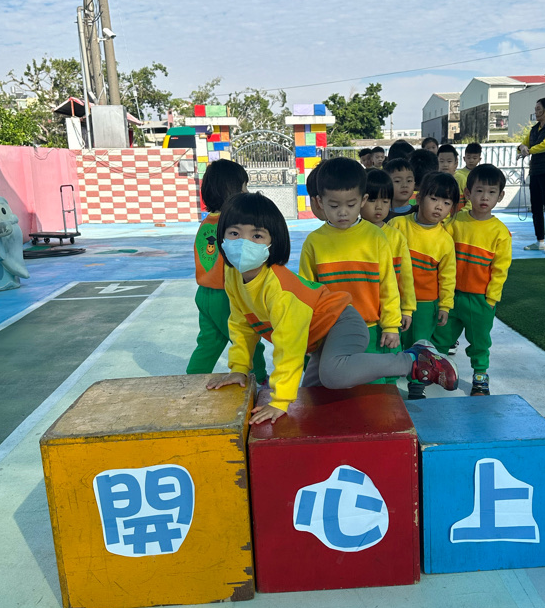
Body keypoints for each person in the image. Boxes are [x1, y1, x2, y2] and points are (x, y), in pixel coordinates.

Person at [206, 192, 458, 423]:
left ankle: (413, 359)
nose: (244, 243)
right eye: (234, 234)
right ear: (222, 235)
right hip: (320, 339)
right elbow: (241, 324)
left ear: (274, 241)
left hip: (342, 323)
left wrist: (280, 400)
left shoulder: (278, 289)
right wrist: (239, 369)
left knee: (333, 375)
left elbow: (288, 345)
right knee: (312, 394)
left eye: (257, 236)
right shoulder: (233, 275)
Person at [299, 158, 402, 367]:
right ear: (319, 202)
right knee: (332, 381)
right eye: (334, 205)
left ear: (363, 200)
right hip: (330, 330)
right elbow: (305, 294)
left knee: (372, 382)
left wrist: (391, 325)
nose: (343, 212)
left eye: (351, 204)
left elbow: (388, 285)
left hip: (371, 329)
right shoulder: (314, 242)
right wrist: (308, 332)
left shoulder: (376, 237)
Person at [433, 164, 512, 396]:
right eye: (479, 191)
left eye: (491, 192)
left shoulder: (500, 232)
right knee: (441, 336)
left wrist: (491, 299)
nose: (484, 197)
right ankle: (437, 369)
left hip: (480, 300)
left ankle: (480, 376)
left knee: (480, 342)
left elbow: (500, 269)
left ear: (500, 196)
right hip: (451, 296)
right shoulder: (454, 222)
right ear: (467, 193)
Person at [186, 158, 266, 381]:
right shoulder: (233, 225)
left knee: (208, 343)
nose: (247, 192)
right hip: (226, 296)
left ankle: (191, 380)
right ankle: (260, 379)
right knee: (247, 339)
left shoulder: (206, 223)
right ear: (232, 191)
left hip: (204, 294)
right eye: (244, 187)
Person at [389, 171, 458, 398]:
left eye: (446, 203)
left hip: (426, 304)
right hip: (395, 298)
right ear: (418, 198)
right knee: (392, 340)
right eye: (434, 199)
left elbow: (447, 277)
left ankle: (417, 386)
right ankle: (387, 382)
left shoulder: (445, 240)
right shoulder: (397, 225)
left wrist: (445, 305)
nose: (439, 207)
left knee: (419, 345)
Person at [361, 168, 416, 334]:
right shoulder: (350, 236)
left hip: (391, 311)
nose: (379, 207)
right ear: (360, 200)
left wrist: (407, 309)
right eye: (372, 200)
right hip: (362, 312)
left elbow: (406, 276)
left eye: (385, 201)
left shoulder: (396, 237)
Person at [518, 98, 545, 254]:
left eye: (539, 109)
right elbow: (523, 144)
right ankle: (540, 241)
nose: (536, 112)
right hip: (535, 172)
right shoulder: (534, 129)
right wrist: (522, 148)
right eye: (535, 109)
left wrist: (529, 150)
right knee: (536, 207)